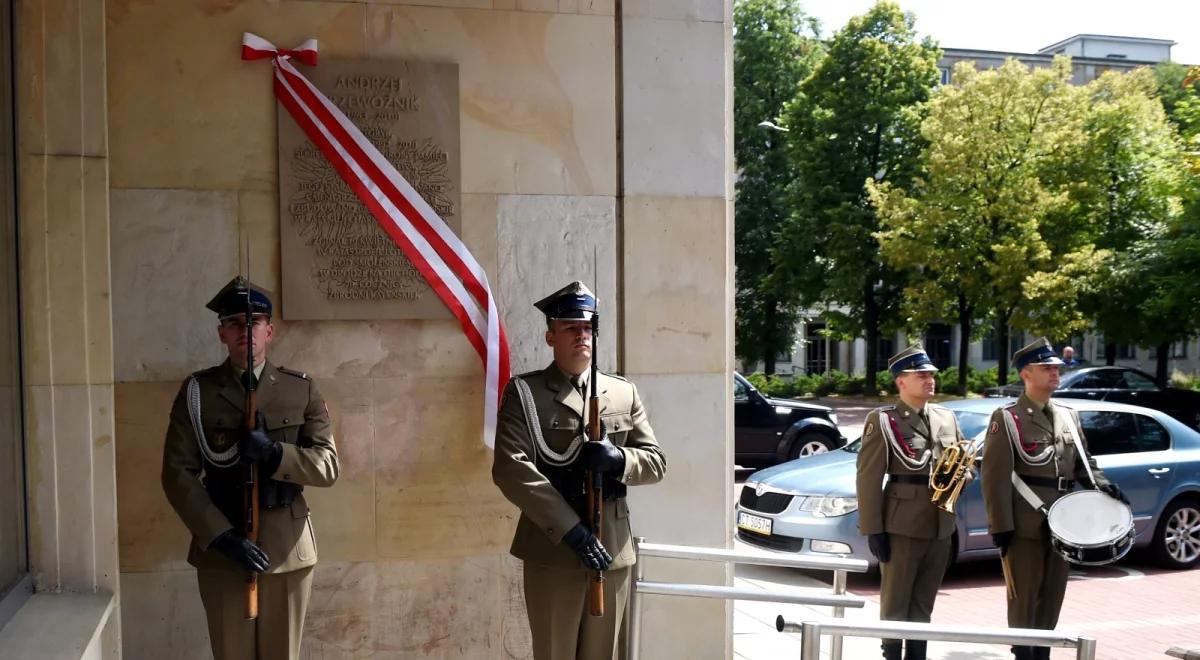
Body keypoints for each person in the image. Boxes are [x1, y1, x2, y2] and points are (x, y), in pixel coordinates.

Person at [161, 277, 339, 660]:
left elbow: (327, 467)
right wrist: (221, 537)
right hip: (223, 549)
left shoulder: (300, 390)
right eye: (236, 324)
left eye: (255, 322)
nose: (247, 331)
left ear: (269, 331)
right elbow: (177, 474)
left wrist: (275, 455)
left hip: (288, 549)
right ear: (222, 332)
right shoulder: (198, 393)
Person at [492, 281, 667, 660]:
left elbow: (655, 462)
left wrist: (618, 460)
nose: (581, 335)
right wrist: (573, 533)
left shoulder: (622, 392)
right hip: (554, 550)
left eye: (587, 328)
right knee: (555, 652)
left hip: (612, 549)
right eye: (571, 327)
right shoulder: (525, 393)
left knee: (603, 654)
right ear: (550, 335)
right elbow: (510, 469)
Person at [981, 337, 1127, 660]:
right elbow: (994, 477)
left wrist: (1105, 486)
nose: (1054, 372)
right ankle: (1023, 654)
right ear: (1026, 375)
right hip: (1023, 524)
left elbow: (1084, 465)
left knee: (1051, 598)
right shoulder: (1007, 418)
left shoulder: (1068, 416)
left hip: (1064, 525)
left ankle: (1042, 654)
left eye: (1056, 367)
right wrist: (1000, 525)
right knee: (1024, 600)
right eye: (1045, 367)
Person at [856, 344, 969, 660]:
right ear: (901, 382)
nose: (929, 379)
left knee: (924, 601)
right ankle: (891, 653)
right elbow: (867, 478)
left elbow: (965, 465)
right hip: (901, 525)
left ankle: (918, 654)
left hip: (941, 525)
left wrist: (962, 475)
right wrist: (873, 529)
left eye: (931, 374)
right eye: (921, 374)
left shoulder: (946, 417)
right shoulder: (884, 421)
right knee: (896, 601)